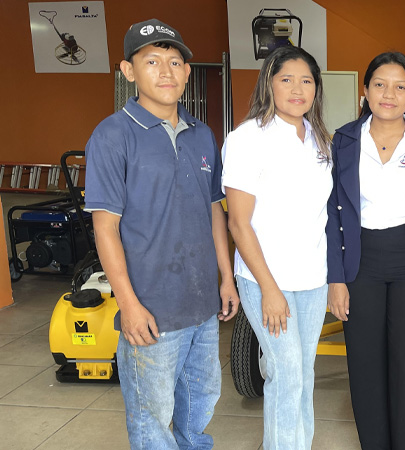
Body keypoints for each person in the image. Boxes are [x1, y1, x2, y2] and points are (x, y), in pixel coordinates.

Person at [84, 19, 239, 449]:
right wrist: (129, 305)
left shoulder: (203, 134)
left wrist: (225, 278)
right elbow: (105, 228)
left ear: (188, 72)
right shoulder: (113, 136)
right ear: (128, 70)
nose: (166, 71)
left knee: (200, 407)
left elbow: (214, 212)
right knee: (153, 420)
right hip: (150, 311)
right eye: (151, 60)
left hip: (203, 307)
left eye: (175, 61)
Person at [326, 51, 405, 450]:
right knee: (364, 362)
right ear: (365, 91)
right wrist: (336, 277)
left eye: (400, 87)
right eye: (380, 84)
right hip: (358, 259)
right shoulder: (344, 140)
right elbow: (330, 214)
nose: (389, 94)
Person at [221, 46, 332, 450]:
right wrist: (269, 289)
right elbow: (238, 221)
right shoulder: (248, 138)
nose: (297, 89)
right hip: (266, 278)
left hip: (312, 278)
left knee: (302, 372)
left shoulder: (320, 138)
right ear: (269, 83)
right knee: (286, 372)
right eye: (286, 79)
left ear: (317, 88)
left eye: (306, 80)